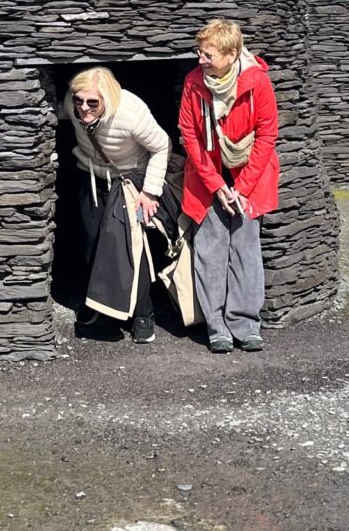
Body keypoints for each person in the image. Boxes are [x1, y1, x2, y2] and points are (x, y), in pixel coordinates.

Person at [178, 19, 279, 353]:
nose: (201, 60)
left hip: (250, 176)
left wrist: (243, 187)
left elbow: (267, 135)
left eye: (208, 54)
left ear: (232, 53)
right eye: (200, 52)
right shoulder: (194, 84)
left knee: (246, 248)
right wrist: (218, 185)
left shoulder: (258, 82)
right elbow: (190, 135)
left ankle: (245, 323)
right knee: (210, 249)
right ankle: (217, 325)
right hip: (209, 176)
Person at [64, 66, 171, 344]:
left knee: (130, 246)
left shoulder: (131, 114)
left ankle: (142, 313)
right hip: (92, 176)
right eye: (78, 100)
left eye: (92, 102)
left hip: (129, 180)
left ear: (107, 100)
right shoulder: (73, 104)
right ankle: (100, 307)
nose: (83, 107)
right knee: (91, 241)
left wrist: (149, 192)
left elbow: (162, 145)